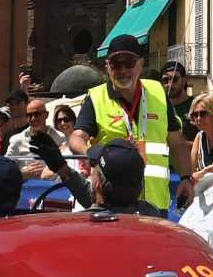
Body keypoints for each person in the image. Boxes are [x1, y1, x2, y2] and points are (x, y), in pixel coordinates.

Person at [72, 37, 176, 211]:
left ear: (141, 64)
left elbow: (177, 142)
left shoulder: (158, 91)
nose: (123, 70)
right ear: (107, 66)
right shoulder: (96, 97)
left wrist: (187, 178)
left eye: (129, 62)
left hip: (155, 204)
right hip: (112, 204)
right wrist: (88, 151)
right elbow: (76, 137)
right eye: (115, 64)